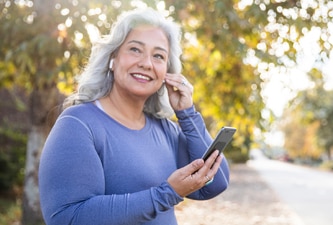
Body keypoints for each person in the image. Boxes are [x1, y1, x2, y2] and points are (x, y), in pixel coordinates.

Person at [39, 7, 230, 225]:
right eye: (135, 50)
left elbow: (214, 185)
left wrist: (187, 114)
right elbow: (68, 218)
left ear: (167, 72)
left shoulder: (165, 129)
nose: (147, 63)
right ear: (113, 58)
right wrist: (166, 194)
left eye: (158, 56)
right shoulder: (78, 124)